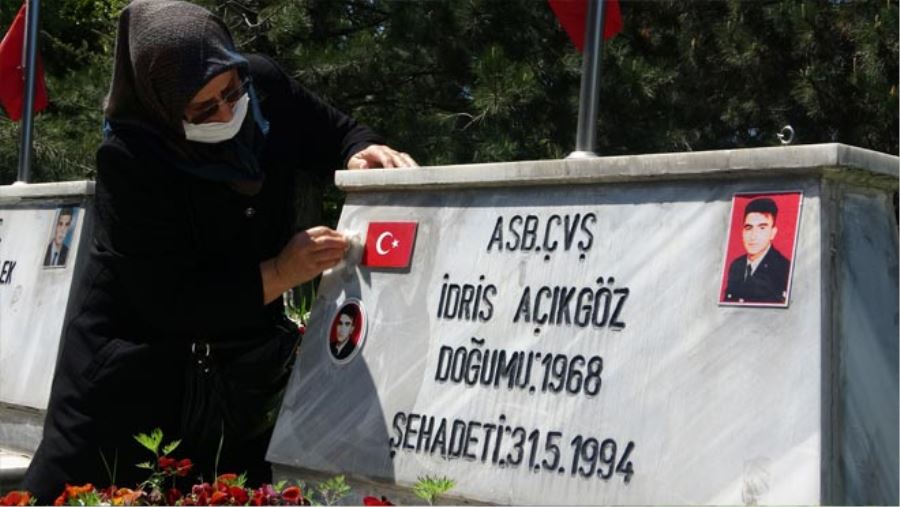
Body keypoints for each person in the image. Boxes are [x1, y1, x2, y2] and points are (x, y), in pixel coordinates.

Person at [22, 0, 416, 501]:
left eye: (231, 92)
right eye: (204, 109)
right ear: (162, 106)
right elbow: (167, 301)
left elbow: (336, 132)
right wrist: (280, 272)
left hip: (239, 382)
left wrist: (360, 151)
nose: (227, 113)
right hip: (131, 381)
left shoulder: (262, 85)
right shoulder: (128, 158)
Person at [724, 197, 791, 304]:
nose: (753, 236)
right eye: (749, 228)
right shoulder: (736, 266)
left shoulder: (784, 269)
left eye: (762, 228)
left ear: (773, 233)